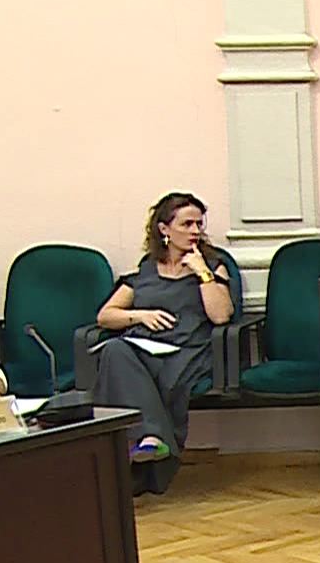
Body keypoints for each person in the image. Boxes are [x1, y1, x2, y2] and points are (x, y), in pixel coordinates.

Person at [92, 192, 235, 494]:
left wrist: (202, 273)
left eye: (199, 224)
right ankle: (152, 439)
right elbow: (105, 316)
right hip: (144, 349)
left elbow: (221, 315)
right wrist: (140, 316)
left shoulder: (213, 265)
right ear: (164, 229)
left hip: (187, 351)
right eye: (186, 224)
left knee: (127, 371)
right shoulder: (146, 269)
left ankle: (145, 447)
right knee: (115, 350)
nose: (195, 231)